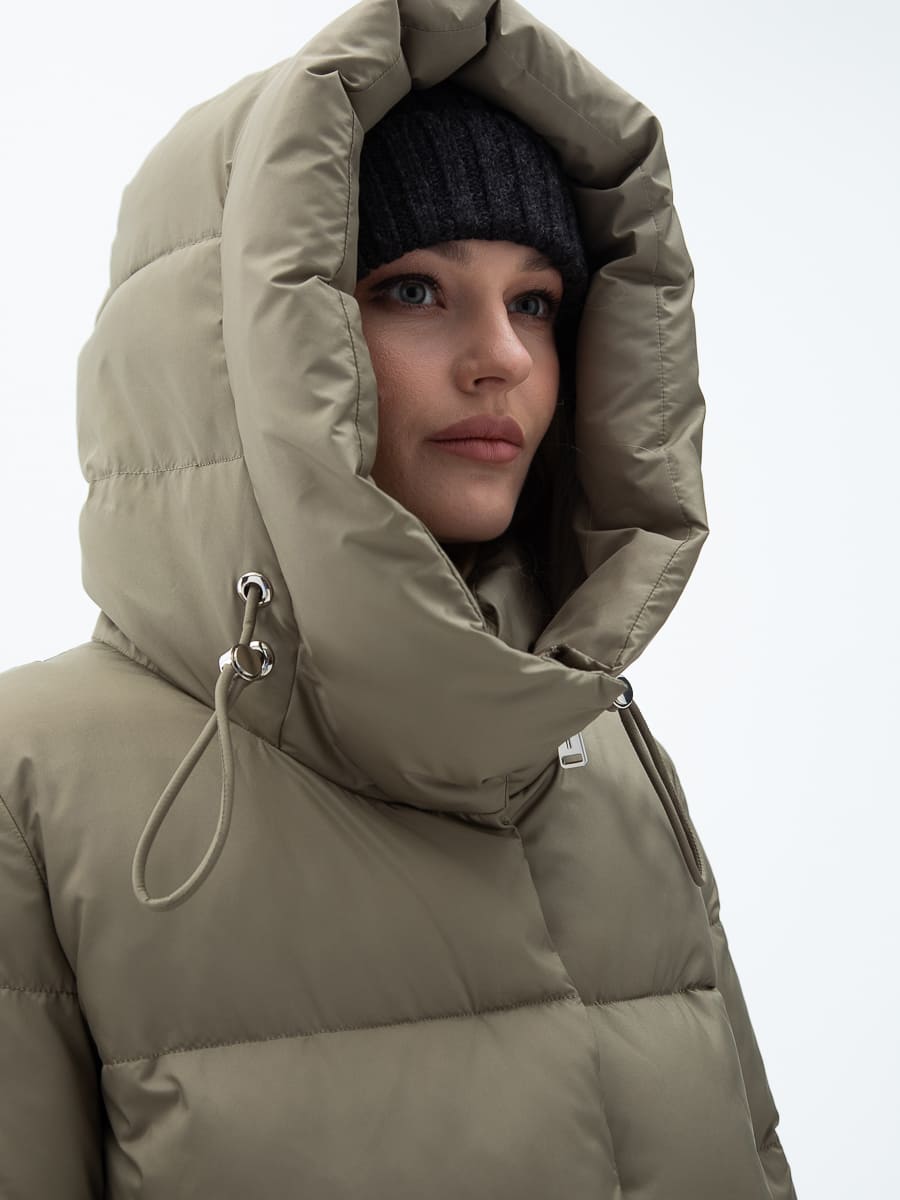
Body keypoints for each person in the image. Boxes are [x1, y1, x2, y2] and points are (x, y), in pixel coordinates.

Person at [0, 3, 796, 1198]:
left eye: (536, 302)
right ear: (245, 346)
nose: (504, 357)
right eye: (414, 290)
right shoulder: (35, 783)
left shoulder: (599, 754)